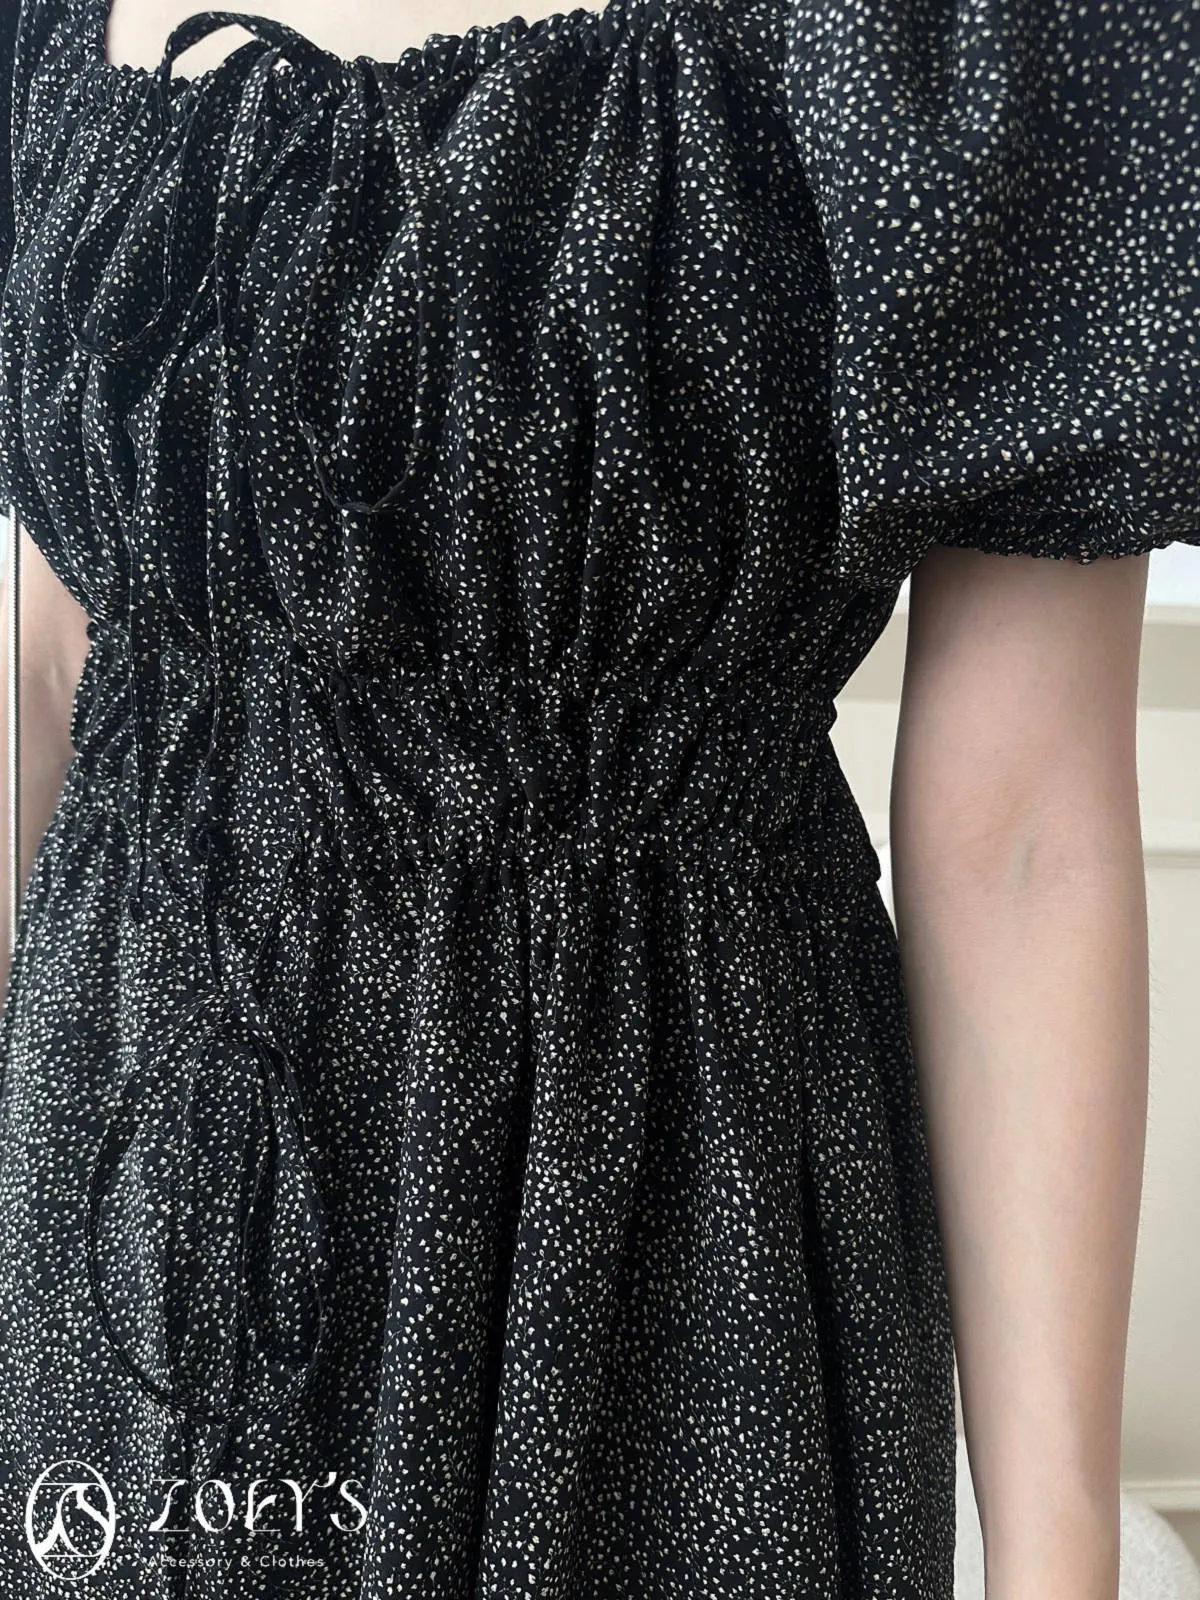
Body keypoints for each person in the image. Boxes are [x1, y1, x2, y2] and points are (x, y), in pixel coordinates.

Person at [0, 0, 1194, 1596]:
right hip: (131, 1201)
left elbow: (1026, 832)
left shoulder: (993, 36)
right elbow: (55, 666)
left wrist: (1057, 1567)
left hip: (664, 1225)